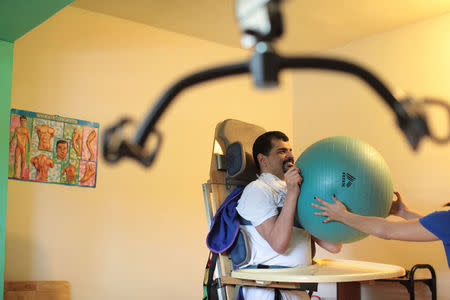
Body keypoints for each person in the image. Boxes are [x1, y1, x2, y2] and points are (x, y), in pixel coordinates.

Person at [236, 131, 342, 300]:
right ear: (262, 159)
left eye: (290, 150)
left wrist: (339, 214)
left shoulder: (292, 192)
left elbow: (333, 246)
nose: (290, 156)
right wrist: (292, 192)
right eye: (281, 151)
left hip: (296, 289)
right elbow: (279, 244)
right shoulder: (257, 190)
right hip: (269, 291)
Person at [312, 192, 450, 267]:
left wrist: (342, 215)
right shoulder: (444, 222)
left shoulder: (445, 220)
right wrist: (403, 212)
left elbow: (387, 230)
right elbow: (435, 227)